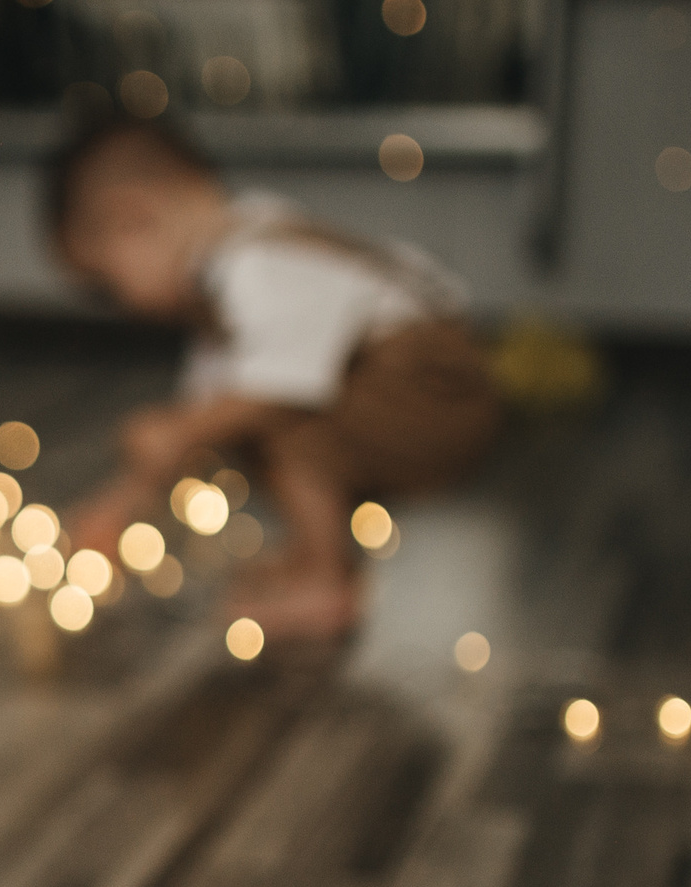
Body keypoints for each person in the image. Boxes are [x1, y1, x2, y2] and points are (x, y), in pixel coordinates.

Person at [51, 116, 501, 638]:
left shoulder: (253, 265)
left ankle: (326, 582)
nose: (121, 305)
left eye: (108, 285)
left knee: (272, 413)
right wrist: (119, 503)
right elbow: (205, 406)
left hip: (436, 391)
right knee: (234, 412)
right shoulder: (237, 255)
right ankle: (315, 558)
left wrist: (179, 429)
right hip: (420, 385)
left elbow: (271, 389)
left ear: (135, 217)